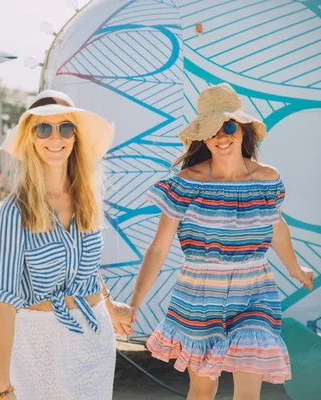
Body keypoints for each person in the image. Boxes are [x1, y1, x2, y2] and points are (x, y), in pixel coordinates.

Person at [123, 83, 315, 399]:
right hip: (199, 294)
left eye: (228, 126)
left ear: (242, 129)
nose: (222, 137)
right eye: (212, 130)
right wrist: (134, 303)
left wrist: (295, 270)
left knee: (248, 389)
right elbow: (158, 248)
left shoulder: (266, 179)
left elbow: (277, 227)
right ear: (202, 137)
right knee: (202, 388)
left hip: (254, 291)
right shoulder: (187, 182)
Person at [0, 89, 133, 400]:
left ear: (75, 136)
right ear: (31, 137)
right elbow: (3, 303)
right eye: (44, 128)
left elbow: (87, 268)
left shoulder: (88, 199)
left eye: (65, 127)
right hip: (39, 346)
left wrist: (110, 306)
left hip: (93, 336)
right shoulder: (16, 210)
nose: (55, 137)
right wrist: (3, 388)